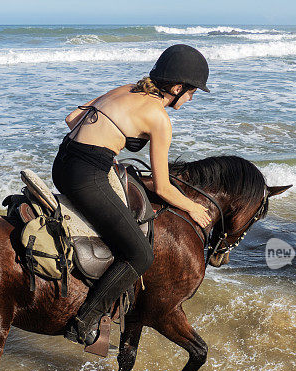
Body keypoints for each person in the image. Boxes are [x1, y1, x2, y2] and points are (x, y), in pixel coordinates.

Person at [52, 44, 212, 346]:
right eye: (191, 92)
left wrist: (106, 143)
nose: (191, 98)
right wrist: (192, 206)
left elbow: (72, 118)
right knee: (140, 253)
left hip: (62, 163)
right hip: (85, 176)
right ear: (177, 87)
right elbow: (163, 189)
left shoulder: (127, 88)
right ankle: (83, 321)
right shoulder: (159, 119)